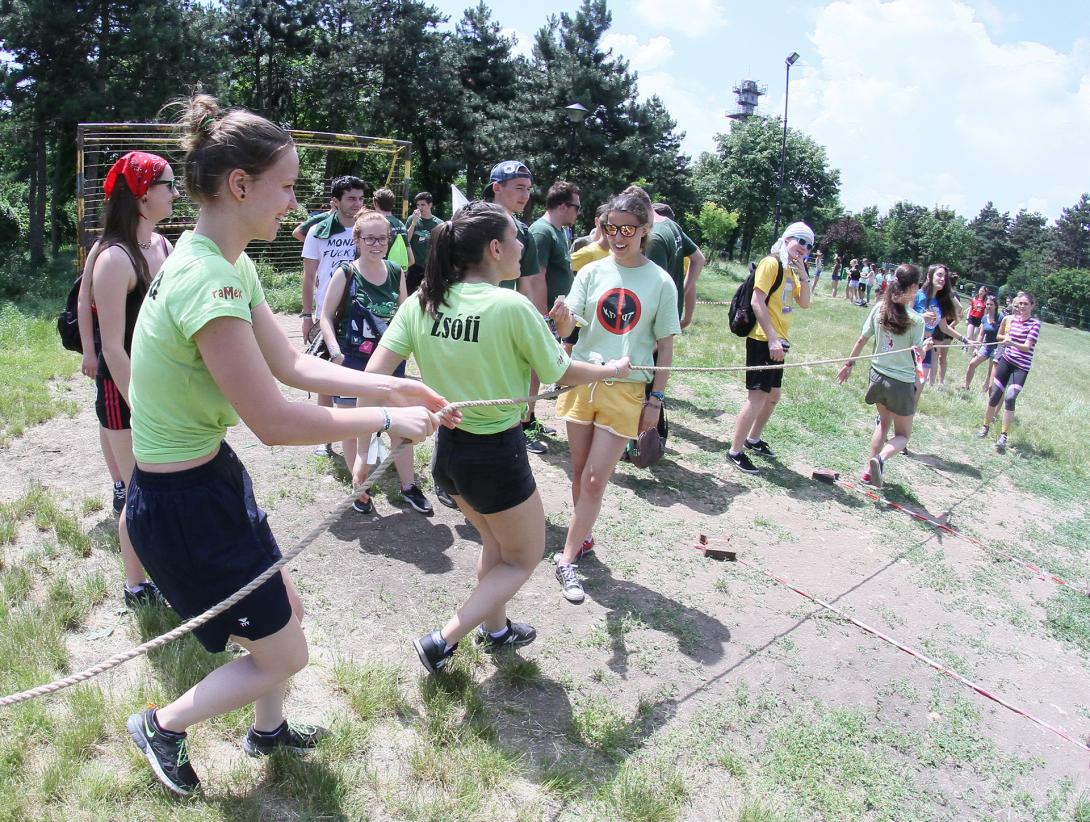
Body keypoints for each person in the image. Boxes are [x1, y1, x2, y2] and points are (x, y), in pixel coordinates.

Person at [124, 95, 448, 795]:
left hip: (208, 479)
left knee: (285, 620)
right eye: (288, 186)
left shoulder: (221, 260)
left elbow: (296, 366)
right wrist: (385, 425)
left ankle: (267, 732)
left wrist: (389, 389)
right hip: (182, 506)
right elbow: (274, 419)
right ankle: (163, 725)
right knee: (283, 653)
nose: (295, 202)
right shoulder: (206, 278)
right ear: (240, 185)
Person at [366, 201, 629, 671]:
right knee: (525, 556)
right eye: (515, 238)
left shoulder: (423, 300)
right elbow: (561, 372)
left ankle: (497, 629)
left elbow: (374, 376)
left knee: (496, 545)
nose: (522, 245)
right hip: (496, 458)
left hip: (448, 460)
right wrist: (612, 369)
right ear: (494, 248)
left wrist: (403, 416)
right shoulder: (511, 305)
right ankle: (441, 640)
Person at [551, 190, 680, 603]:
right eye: (611, 227)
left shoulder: (661, 282)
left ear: (645, 230)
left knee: (594, 478)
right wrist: (563, 319)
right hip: (582, 381)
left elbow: (666, 346)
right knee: (577, 472)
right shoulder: (590, 271)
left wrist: (655, 401)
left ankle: (567, 559)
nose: (618, 236)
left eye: (627, 229)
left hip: (626, 391)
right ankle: (583, 537)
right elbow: (572, 330)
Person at [77, 151, 177, 608]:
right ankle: (136, 586)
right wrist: (144, 402)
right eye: (168, 185)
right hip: (127, 394)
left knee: (165, 485)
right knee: (140, 489)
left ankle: (167, 566)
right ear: (141, 194)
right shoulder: (114, 258)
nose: (175, 193)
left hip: (160, 389)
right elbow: (113, 345)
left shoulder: (163, 246)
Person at [319, 208, 433, 516]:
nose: (376, 244)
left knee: (400, 424)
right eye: (369, 238)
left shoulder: (396, 272)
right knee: (353, 426)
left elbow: (404, 317)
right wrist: (333, 348)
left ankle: (409, 486)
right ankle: (361, 487)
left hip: (388, 362)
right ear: (356, 239)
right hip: (351, 360)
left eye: (382, 238)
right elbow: (325, 317)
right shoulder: (345, 272)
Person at [726, 222, 814, 474]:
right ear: (787, 239)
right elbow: (757, 301)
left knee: (773, 395)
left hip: (779, 341)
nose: (804, 248)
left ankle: (753, 440)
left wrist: (804, 273)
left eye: (809, 245)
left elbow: (805, 302)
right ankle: (735, 451)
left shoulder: (793, 270)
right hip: (763, 339)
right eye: (800, 241)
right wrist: (773, 339)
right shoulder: (772, 263)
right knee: (757, 396)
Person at [836, 264, 927, 488]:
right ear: (913, 287)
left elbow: (861, 339)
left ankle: (868, 473)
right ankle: (879, 459)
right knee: (903, 435)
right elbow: (917, 357)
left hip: (877, 377)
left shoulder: (879, 308)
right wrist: (926, 346)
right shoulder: (917, 321)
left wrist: (849, 364)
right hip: (901, 383)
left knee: (883, 423)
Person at [483, 160, 550, 456]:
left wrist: (534, 326)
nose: (526, 195)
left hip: (504, 322)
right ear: (497, 188)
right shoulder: (471, 222)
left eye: (529, 189)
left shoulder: (524, 232)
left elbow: (527, 285)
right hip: (470, 320)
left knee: (505, 390)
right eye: (519, 188)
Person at [301, 175, 366, 455]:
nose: (357, 204)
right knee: (326, 377)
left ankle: (365, 436)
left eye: (361, 198)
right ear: (335, 202)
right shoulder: (319, 231)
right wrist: (307, 315)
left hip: (362, 313)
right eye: (351, 198)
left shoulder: (368, 231)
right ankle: (325, 439)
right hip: (328, 315)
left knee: (364, 373)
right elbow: (309, 276)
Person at [977, 291, 1040, 452]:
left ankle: (1004, 435)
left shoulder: (1035, 324)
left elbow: (1027, 346)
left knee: (1010, 398)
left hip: (1021, 367)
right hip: (1006, 361)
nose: (1022, 307)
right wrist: (1004, 339)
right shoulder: (1012, 321)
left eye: (1026, 304)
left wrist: (1011, 342)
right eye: (1020, 304)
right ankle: (985, 426)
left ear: (1032, 306)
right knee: (995, 395)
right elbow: (1002, 337)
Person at [646, 201, 706, 328]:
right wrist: (687, 316)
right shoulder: (674, 229)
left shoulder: (655, 239)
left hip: (655, 318)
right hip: (670, 314)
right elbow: (699, 261)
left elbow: (654, 286)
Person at [913, 263, 968, 388]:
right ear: (929, 276)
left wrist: (964, 339)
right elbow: (904, 315)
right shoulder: (917, 295)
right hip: (913, 345)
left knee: (919, 387)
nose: (943, 279)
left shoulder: (940, 302)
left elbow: (944, 327)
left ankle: (912, 408)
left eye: (945, 277)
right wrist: (921, 316)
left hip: (928, 346)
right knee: (907, 384)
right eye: (939, 275)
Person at [405, 191, 443, 294]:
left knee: (429, 296)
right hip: (414, 266)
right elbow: (406, 240)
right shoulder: (412, 219)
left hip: (430, 267)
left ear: (430, 205)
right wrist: (413, 223)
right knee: (410, 295)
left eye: (423, 205)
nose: (420, 208)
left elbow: (441, 248)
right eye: (418, 205)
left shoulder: (439, 224)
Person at [962, 293, 1002, 391]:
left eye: (991, 304)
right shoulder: (984, 318)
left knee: (991, 371)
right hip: (986, 346)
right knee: (972, 364)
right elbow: (981, 334)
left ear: (996, 306)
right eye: (987, 304)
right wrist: (976, 348)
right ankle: (965, 386)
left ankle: (986, 387)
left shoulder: (1001, 318)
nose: (988, 306)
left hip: (997, 347)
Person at [373, 186, 409, 264]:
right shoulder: (401, 224)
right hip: (398, 272)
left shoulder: (376, 223)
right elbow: (411, 260)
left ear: (375, 203)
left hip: (380, 271)